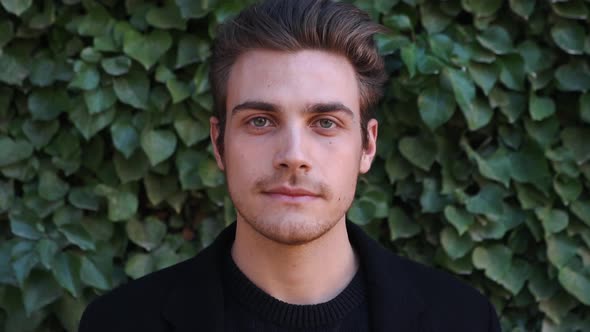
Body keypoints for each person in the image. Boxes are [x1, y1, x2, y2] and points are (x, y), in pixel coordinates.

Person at [78, 0, 501, 331]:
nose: (293, 154)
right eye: (260, 121)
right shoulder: (120, 323)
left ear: (367, 146)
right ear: (219, 143)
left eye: (325, 123)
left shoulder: (463, 320)